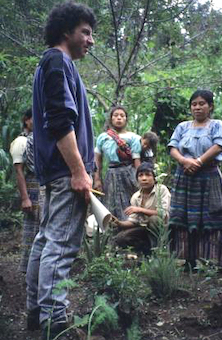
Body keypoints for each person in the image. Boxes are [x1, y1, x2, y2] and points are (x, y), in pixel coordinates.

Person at [25, 3, 96, 340]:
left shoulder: (53, 63)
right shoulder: (57, 61)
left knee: (45, 241)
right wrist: (79, 172)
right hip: (65, 173)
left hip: (54, 173)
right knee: (60, 246)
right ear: (66, 31)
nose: (90, 41)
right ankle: (55, 324)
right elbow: (60, 121)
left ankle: (36, 314)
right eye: (86, 32)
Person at [168, 90, 222, 271]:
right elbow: (172, 147)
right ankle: (186, 260)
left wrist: (199, 161)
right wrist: (184, 161)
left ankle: (213, 261)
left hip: (209, 176)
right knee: (183, 217)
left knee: (213, 216)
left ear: (210, 106)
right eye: (194, 104)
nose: (197, 107)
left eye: (202, 103)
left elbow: (219, 145)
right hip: (185, 178)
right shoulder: (182, 127)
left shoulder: (216, 125)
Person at [10, 109, 44, 273]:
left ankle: (41, 268)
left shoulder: (39, 139)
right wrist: (25, 198)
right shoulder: (21, 142)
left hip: (44, 185)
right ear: (26, 121)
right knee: (32, 228)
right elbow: (19, 171)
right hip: (31, 186)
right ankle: (28, 269)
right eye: (33, 119)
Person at [94, 106, 141, 220]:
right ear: (111, 119)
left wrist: (139, 178)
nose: (119, 118)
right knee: (110, 202)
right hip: (111, 174)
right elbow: (97, 160)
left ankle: (131, 228)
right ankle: (111, 230)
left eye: (122, 116)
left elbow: (136, 160)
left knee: (131, 201)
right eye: (116, 115)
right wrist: (97, 179)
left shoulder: (133, 138)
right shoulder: (103, 137)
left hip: (129, 174)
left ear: (126, 119)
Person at [113, 162, 171, 254]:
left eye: (148, 175)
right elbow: (134, 221)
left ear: (154, 177)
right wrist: (119, 223)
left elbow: (162, 213)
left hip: (162, 229)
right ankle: (145, 252)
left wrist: (140, 210)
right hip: (143, 229)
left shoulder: (161, 189)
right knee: (121, 238)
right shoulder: (136, 197)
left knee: (154, 219)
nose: (144, 178)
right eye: (140, 175)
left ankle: (158, 251)